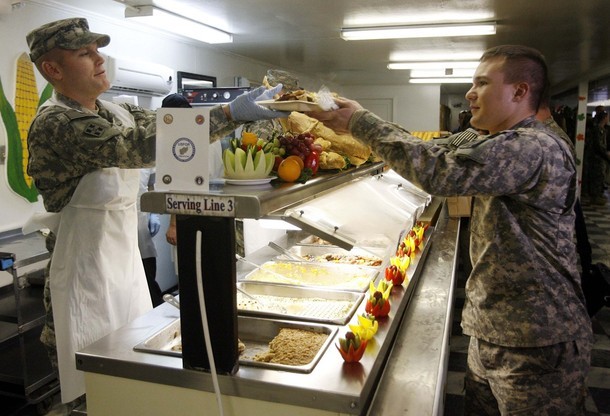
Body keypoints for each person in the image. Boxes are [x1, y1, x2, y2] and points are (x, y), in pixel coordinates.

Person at [309, 45, 593, 415]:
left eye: (482, 83)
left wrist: (361, 122)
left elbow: (441, 172)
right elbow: (437, 151)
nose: (470, 93)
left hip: (537, 340)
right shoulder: (494, 140)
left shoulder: (533, 147)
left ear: (520, 92)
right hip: (494, 328)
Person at [25, 17, 287, 407]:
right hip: (82, 270)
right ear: (53, 69)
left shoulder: (115, 110)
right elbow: (140, 146)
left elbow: (176, 125)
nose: (100, 59)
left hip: (123, 263)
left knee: (130, 365)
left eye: (98, 50)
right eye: (85, 53)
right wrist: (233, 114)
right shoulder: (56, 122)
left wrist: (239, 107)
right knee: (92, 383)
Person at [137, 167, 163, 307]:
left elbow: (151, 185)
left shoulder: (145, 158)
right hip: (116, 224)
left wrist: (154, 212)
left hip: (141, 222)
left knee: (147, 276)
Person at [582, 110, 610, 205]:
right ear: (604, 118)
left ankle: (598, 194)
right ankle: (595, 196)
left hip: (600, 157)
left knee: (600, 176)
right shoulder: (597, 130)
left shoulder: (602, 129)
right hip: (596, 157)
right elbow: (598, 145)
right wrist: (606, 153)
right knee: (597, 176)